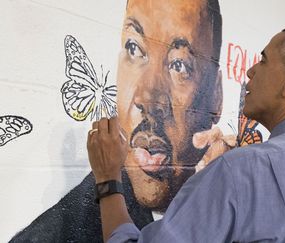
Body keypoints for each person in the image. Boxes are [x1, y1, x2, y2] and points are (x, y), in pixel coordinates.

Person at [88, 25, 285, 242]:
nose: (250, 70)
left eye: (264, 60)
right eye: (133, 48)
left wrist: (107, 179)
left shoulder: (241, 172)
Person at [10, 0, 227, 242]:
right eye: (134, 49)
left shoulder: (227, 204)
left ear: (216, 96)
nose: (147, 97)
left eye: (179, 65)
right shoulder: (53, 233)